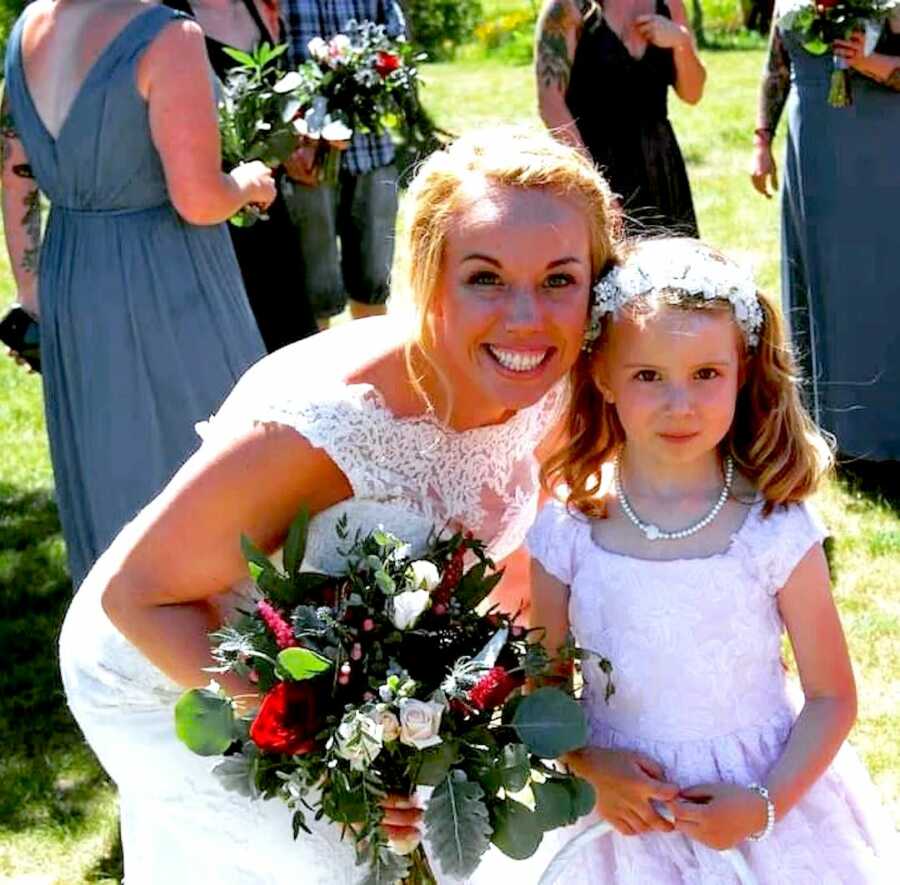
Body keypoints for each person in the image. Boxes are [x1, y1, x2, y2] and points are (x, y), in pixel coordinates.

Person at [58, 127, 620, 884]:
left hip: (347, 676)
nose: (526, 316)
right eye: (485, 277)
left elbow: (515, 558)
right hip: (163, 660)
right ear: (429, 275)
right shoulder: (335, 421)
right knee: (346, 867)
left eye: (559, 279)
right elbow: (139, 596)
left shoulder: (550, 372)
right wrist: (338, 745)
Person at [526, 238, 895, 881]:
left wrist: (764, 805)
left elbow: (831, 696)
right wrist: (586, 764)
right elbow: (545, 691)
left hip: (758, 804)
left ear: (742, 370)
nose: (681, 404)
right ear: (603, 376)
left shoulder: (773, 526)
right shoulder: (568, 527)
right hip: (621, 821)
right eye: (649, 376)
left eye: (705, 374)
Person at [1, 0, 274, 588]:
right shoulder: (168, 35)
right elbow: (198, 199)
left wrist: (32, 294)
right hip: (168, 278)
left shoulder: (29, 27)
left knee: (107, 464)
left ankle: (124, 638)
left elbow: (15, 172)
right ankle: (217, 642)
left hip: (71, 273)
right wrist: (248, 184)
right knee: (207, 468)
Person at [750, 9, 900, 467]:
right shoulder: (789, 4)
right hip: (812, 146)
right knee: (820, 278)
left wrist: (872, 63)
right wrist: (762, 141)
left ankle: (882, 430)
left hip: (877, 150)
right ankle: (826, 428)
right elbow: (776, 66)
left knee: (878, 277)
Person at [164, 0, 319, 352]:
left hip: (270, 206)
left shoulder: (261, 8)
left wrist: (297, 144)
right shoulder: (166, 17)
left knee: (290, 344)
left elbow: (279, 101)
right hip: (211, 215)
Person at [279, 0, 406, 327]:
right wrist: (285, 143)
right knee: (315, 291)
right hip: (303, 160)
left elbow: (395, 42)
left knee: (374, 282)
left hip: (371, 150)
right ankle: (320, 374)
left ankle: (373, 370)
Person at [535, 0, 705, 236]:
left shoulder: (669, 4)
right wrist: (593, 185)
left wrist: (681, 41)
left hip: (660, 166)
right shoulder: (568, 7)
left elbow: (692, 93)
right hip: (594, 162)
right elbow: (550, 104)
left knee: (672, 268)